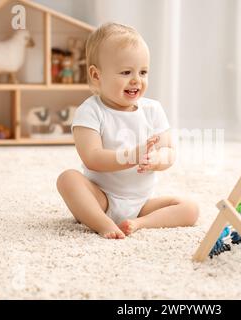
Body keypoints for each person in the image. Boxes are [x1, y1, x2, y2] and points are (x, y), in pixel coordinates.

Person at [56, 22, 199, 239]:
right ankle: (100, 221)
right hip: (101, 198)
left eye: (143, 72)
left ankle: (138, 224)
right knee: (68, 179)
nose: (136, 80)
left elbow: (169, 150)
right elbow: (92, 157)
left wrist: (157, 159)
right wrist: (131, 156)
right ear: (96, 75)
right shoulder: (90, 111)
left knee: (190, 208)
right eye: (126, 72)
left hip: (142, 203)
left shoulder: (153, 109)